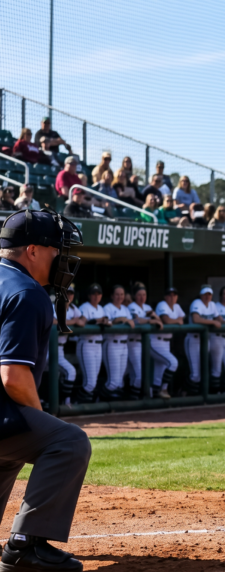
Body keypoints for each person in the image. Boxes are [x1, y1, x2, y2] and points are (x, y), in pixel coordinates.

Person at [0, 208, 91, 571]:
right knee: (67, 441)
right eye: (56, 249)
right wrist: (36, 416)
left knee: (9, 452)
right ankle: (26, 545)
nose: (61, 257)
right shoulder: (27, 292)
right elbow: (13, 376)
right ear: (33, 250)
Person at [126, 284, 164, 400]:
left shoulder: (147, 307)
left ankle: (133, 399)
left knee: (135, 375)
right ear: (134, 296)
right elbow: (137, 320)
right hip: (132, 342)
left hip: (143, 343)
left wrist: (154, 316)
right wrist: (151, 321)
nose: (142, 297)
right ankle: (135, 399)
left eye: (144, 294)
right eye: (139, 295)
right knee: (139, 375)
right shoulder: (132, 306)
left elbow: (160, 322)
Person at [75, 283, 109, 403]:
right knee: (90, 383)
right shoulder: (85, 307)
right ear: (89, 295)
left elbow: (108, 322)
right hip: (86, 344)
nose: (96, 296)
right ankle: (77, 403)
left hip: (98, 346)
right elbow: (82, 322)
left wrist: (106, 322)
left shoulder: (101, 308)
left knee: (92, 382)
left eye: (98, 294)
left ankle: (86, 405)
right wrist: (98, 320)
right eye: (93, 294)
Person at [185, 286, 221, 396]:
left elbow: (219, 318)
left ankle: (199, 396)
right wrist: (213, 322)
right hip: (193, 340)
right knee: (195, 374)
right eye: (205, 294)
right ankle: (185, 393)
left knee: (203, 371)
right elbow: (196, 319)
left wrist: (218, 320)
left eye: (209, 294)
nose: (207, 296)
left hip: (205, 340)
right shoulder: (196, 303)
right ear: (201, 295)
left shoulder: (212, 305)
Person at [100, 285, 134, 401]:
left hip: (124, 345)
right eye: (117, 294)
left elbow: (132, 323)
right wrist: (120, 320)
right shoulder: (107, 308)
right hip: (112, 344)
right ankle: (99, 399)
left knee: (120, 381)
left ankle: (113, 406)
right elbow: (107, 322)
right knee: (113, 382)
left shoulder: (125, 309)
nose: (120, 297)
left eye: (122, 294)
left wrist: (126, 320)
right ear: (112, 296)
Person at [54, 285, 85, 406]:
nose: (69, 295)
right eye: (66, 292)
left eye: (71, 293)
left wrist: (79, 321)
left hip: (60, 349)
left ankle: (63, 402)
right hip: (47, 349)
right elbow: (53, 322)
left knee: (62, 375)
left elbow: (83, 321)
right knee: (67, 372)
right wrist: (74, 321)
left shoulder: (73, 309)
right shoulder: (54, 306)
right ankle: (63, 402)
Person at [153, 287, 185, 399]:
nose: (172, 297)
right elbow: (166, 320)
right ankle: (164, 389)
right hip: (155, 342)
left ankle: (155, 395)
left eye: (174, 295)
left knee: (159, 373)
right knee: (173, 363)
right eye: (169, 295)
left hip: (166, 342)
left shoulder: (177, 306)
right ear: (165, 296)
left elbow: (182, 317)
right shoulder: (162, 305)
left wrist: (176, 320)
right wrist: (176, 321)